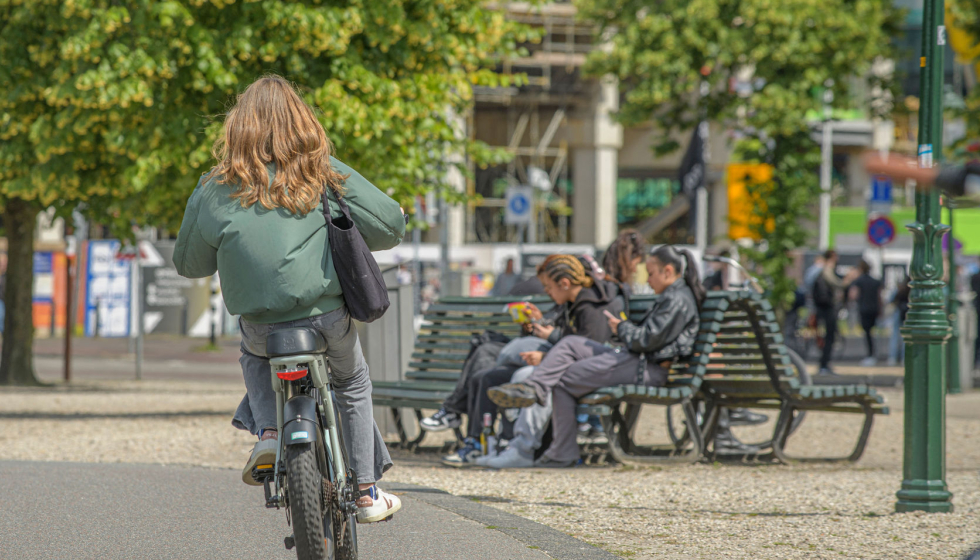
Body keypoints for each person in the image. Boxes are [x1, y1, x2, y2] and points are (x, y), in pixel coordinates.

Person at [172, 75, 405, 523]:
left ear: (237, 127)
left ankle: (269, 432)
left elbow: (190, 264)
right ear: (302, 123)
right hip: (326, 317)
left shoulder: (215, 185)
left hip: (260, 326)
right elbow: (390, 225)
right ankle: (365, 491)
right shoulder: (323, 171)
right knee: (352, 383)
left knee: (253, 355)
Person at [487, 245, 703, 467]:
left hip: (646, 367)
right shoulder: (672, 296)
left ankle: (560, 448)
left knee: (560, 379)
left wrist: (622, 328)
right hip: (634, 360)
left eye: (651, 274)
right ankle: (534, 388)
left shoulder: (676, 299)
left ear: (667, 271)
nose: (647, 280)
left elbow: (646, 340)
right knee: (570, 343)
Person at [438, 255, 624, 466]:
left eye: (549, 286)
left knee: (523, 376)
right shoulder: (570, 303)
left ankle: (520, 449)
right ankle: (486, 444)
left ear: (564, 283)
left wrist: (546, 354)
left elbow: (588, 351)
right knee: (487, 377)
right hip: (558, 365)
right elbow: (567, 340)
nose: (546, 291)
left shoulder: (592, 307)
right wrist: (539, 323)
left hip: (583, 371)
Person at [810, 250, 856, 375]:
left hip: (823, 307)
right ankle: (824, 364)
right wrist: (847, 280)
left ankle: (824, 364)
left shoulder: (821, 269)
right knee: (829, 336)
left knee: (829, 336)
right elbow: (837, 284)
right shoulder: (827, 269)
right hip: (827, 308)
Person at [848, 260, 883, 367]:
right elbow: (879, 297)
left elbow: (853, 295)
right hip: (874, 309)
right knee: (873, 332)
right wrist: (881, 309)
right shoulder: (875, 281)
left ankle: (870, 355)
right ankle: (873, 354)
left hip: (863, 308)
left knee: (867, 332)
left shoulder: (858, 281)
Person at [888, 277, 911, 366]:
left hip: (898, 312)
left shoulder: (900, 290)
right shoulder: (911, 291)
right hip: (908, 313)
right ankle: (903, 357)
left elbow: (892, 300)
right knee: (905, 337)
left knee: (895, 335)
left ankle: (892, 357)